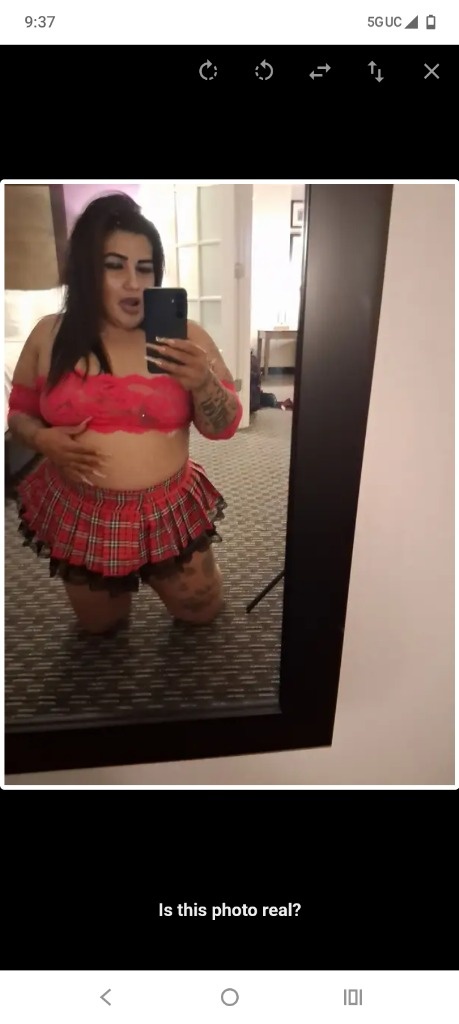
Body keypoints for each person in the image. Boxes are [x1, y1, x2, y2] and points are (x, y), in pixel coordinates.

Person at [7, 192, 243, 634]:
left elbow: (225, 426)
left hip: (168, 508)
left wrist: (204, 382)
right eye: (114, 266)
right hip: (83, 512)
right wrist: (41, 439)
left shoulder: (188, 339)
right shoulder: (48, 336)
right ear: (86, 271)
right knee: (101, 629)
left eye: (145, 267)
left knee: (202, 612)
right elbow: (18, 413)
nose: (134, 283)